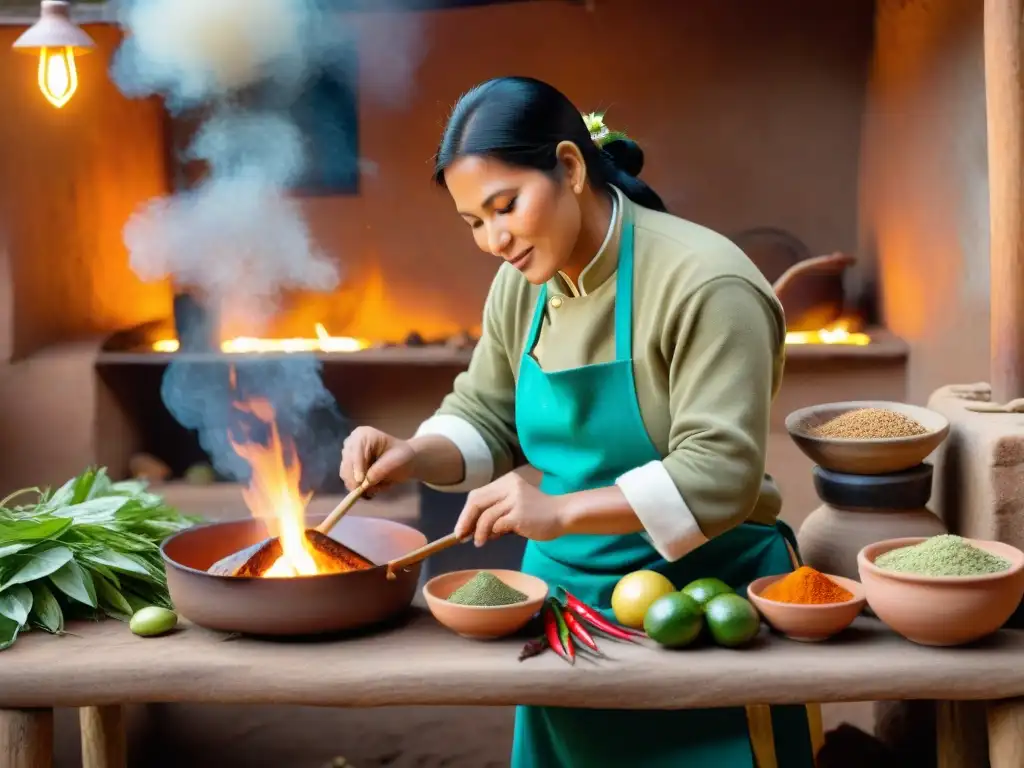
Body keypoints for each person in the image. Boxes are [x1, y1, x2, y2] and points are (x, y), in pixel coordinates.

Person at [339, 76, 814, 768]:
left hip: (703, 610)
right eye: (474, 222)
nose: (495, 240)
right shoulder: (523, 281)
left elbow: (722, 475)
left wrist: (558, 511)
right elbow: (486, 413)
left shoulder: (707, 283)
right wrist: (413, 453)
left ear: (568, 165)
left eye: (506, 207)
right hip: (565, 621)